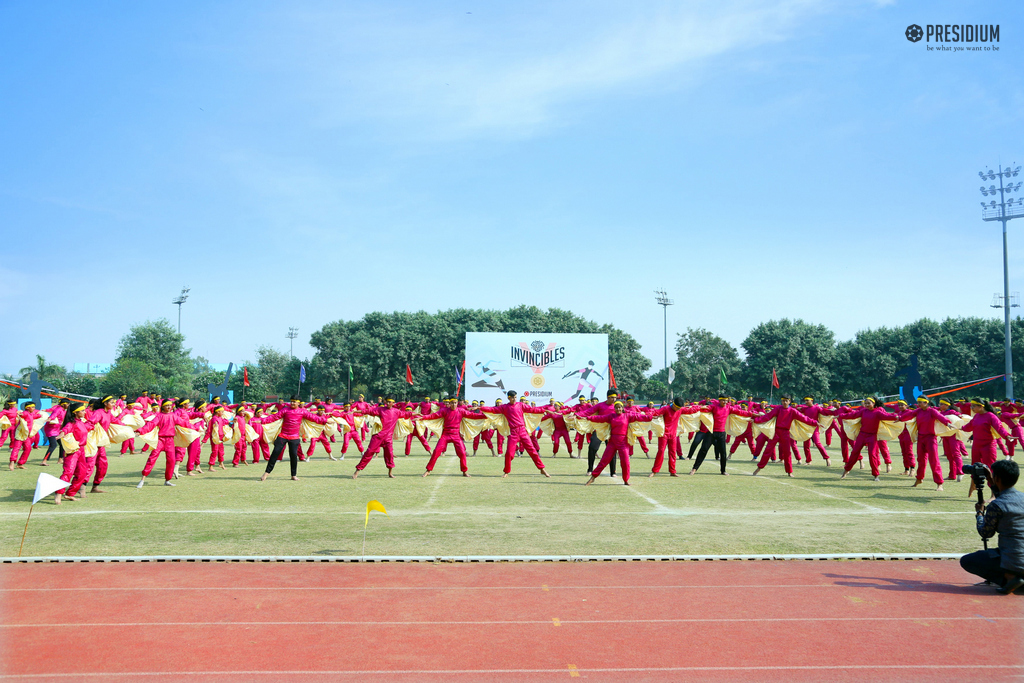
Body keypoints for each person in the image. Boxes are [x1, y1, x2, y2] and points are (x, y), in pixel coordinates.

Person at [960, 460, 1024, 595]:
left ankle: (1009, 579)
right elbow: (1005, 495)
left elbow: (985, 533)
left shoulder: (997, 505)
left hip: (1013, 558)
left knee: (968, 561)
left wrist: (979, 513)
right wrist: (991, 479)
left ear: (997, 478)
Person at [477, 390, 551, 478]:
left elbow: (532, 409)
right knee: (508, 453)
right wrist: (480, 408)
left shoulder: (520, 405)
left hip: (523, 431)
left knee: (532, 451)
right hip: (513, 433)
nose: (514, 399)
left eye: (515, 397)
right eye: (512, 397)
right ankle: (506, 472)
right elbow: (492, 409)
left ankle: (542, 469)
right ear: (509, 398)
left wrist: (544, 410)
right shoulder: (505, 407)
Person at [261, 396, 329, 481]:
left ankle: (293, 475)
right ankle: (266, 473)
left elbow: (314, 418)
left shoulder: (302, 411)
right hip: (283, 436)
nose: (292, 403)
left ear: (298, 403)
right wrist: (262, 420)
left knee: (293, 456)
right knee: (275, 454)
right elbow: (274, 417)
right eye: (291, 401)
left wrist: (325, 421)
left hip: (294, 437)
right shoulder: (285, 410)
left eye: (294, 401)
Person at [752, 396, 818, 477]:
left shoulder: (793, 411)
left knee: (787, 453)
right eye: (783, 401)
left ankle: (789, 471)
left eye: (786, 401)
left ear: (789, 401)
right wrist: (755, 420)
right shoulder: (778, 409)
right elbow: (768, 416)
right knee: (768, 450)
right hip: (776, 432)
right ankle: (759, 468)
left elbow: (804, 418)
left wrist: (815, 422)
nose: (785, 402)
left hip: (786, 433)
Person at [584, 401, 645, 486]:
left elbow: (639, 416)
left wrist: (650, 417)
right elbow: (600, 418)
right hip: (612, 442)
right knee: (604, 461)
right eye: (616, 407)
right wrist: (589, 418)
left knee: (625, 462)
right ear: (614, 409)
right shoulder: (611, 416)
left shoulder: (627, 416)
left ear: (622, 408)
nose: (618, 409)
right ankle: (593, 477)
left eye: (620, 407)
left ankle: (626, 480)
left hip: (623, 442)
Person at [898, 396, 953, 490]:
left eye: (920, 402)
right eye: (918, 402)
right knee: (921, 460)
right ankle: (919, 478)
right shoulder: (918, 411)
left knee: (934, 461)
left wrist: (947, 423)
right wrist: (899, 418)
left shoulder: (932, 411)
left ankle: (939, 483)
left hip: (931, 439)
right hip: (921, 438)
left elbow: (940, 417)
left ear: (926, 402)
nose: (918, 404)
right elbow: (909, 415)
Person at [420, 398, 484, 477]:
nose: (454, 404)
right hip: (446, 434)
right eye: (452, 403)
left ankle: (464, 471)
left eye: (455, 403)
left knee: (462, 453)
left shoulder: (461, 411)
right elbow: (434, 415)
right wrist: (423, 417)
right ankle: (428, 470)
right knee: (436, 451)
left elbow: (473, 415)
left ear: (457, 403)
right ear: (449, 403)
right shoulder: (444, 410)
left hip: (456, 434)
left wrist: (486, 416)